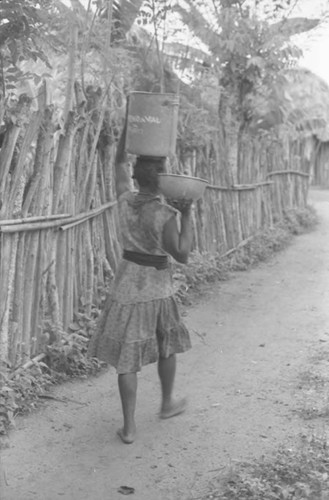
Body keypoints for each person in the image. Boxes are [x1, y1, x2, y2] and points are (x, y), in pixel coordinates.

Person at [88, 124, 193, 444]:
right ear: (162, 179)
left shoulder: (123, 199)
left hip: (126, 284)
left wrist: (127, 129)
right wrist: (187, 214)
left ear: (135, 176)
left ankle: (130, 427)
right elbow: (183, 254)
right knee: (166, 344)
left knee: (125, 360)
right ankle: (166, 403)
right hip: (157, 288)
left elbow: (117, 163)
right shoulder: (164, 214)